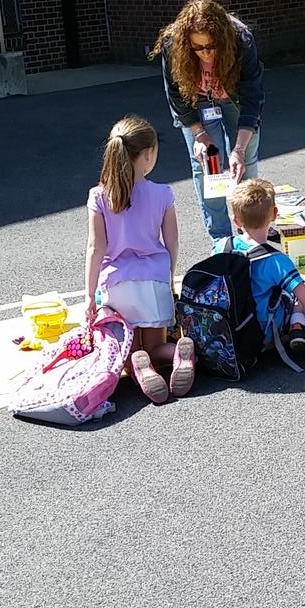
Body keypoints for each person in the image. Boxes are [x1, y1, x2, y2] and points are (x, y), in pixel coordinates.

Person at [85, 116, 195, 404]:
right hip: (154, 280)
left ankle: (137, 364)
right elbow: (172, 241)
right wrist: (169, 276)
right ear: (148, 154)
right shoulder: (163, 193)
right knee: (156, 346)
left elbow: (96, 247)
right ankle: (177, 353)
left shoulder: (99, 196)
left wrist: (89, 296)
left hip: (119, 286)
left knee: (129, 352)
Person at [153, 0, 264, 242]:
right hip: (197, 100)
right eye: (198, 47)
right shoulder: (173, 43)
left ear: (222, 39)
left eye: (211, 46)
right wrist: (199, 134)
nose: (205, 53)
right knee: (207, 164)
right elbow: (176, 95)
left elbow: (252, 98)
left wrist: (238, 149)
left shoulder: (241, 39)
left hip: (234, 96)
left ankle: (251, 230)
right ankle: (220, 238)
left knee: (245, 160)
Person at [214, 179, 305, 357]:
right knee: (296, 298)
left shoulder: (221, 246)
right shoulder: (276, 260)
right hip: (262, 331)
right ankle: (298, 329)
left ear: (236, 220)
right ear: (274, 214)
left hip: (227, 327)